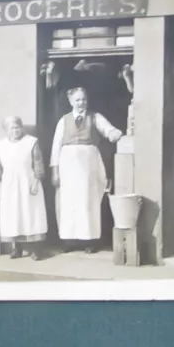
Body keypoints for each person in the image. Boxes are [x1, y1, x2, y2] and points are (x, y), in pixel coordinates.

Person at [50, 87, 123, 254]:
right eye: (77, 100)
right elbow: (56, 147)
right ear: (71, 102)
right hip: (67, 165)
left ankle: (90, 240)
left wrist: (113, 133)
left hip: (89, 164)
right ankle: (69, 240)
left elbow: (108, 129)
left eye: (83, 99)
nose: (81, 103)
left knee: (88, 201)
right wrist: (55, 171)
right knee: (68, 202)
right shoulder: (64, 120)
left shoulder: (94, 117)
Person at [0, 116, 48, 261]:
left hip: (28, 183)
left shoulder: (31, 142)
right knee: (14, 216)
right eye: (12, 128)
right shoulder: (1, 145)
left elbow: (38, 163)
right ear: (7, 130)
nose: (16, 131)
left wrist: (36, 181)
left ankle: (36, 249)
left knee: (31, 215)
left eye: (18, 127)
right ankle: (17, 248)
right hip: (10, 185)